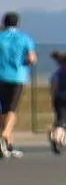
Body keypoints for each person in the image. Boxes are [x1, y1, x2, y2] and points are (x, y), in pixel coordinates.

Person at [0, 11, 29, 159]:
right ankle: (5, 133)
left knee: (3, 109)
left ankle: (8, 144)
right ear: (18, 23)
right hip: (17, 77)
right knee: (12, 109)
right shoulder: (24, 38)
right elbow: (31, 57)